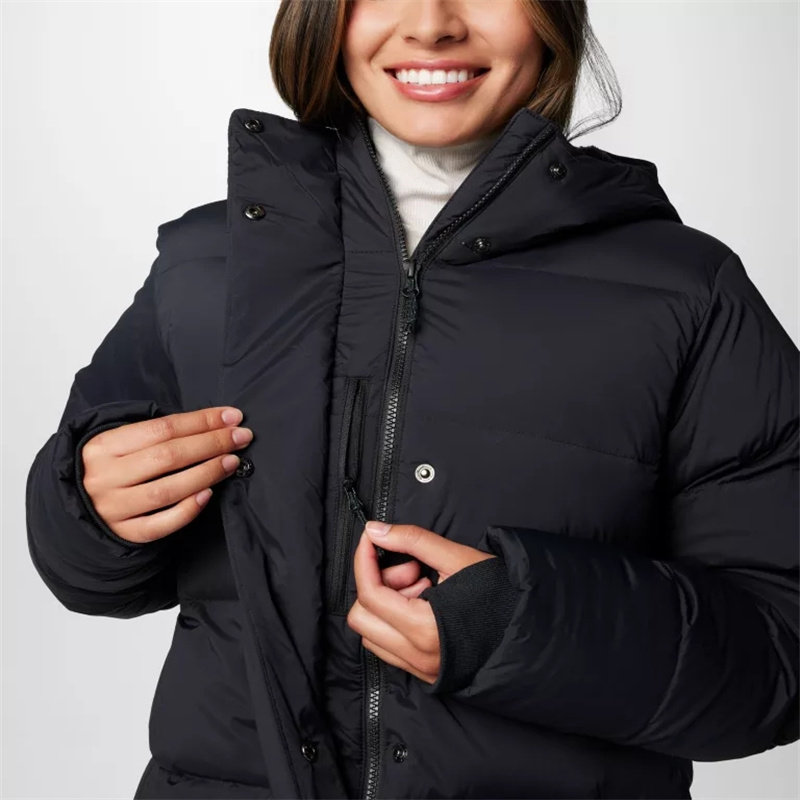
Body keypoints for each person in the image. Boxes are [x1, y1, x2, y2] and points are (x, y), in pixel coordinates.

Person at [25, 0, 799, 798]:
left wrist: (517, 627)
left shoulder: (687, 293)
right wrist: (89, 507)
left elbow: (781, 659)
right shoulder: (206, 261)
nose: (431, 24)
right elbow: (82, 568)